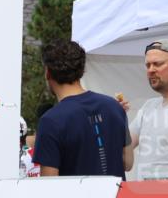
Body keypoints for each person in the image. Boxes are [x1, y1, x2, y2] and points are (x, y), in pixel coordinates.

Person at [32, 40, 131, 180]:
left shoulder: (50, 121)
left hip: (76, 195)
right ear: (81, 71)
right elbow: (128, 163)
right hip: (116, 194)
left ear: (48, 73)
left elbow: (49, 183)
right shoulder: (115, 107)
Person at [125, 38, 168, 178]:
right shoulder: (148, 106)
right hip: (143, 191)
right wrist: (116, 116)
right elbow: (123, 150)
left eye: (158, 64)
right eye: (148, 65)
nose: (150, 70)